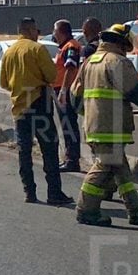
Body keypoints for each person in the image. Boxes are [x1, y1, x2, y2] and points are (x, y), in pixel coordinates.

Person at [73, 23, 138, 227]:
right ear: (121, 43)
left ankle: (135, 212)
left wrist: (91, 114)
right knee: (104, 166)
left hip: (94, 127)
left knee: (121, 170)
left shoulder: (90, 61)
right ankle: (86, 210)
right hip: (112, 128)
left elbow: (75, 98)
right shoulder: (117, 62)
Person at [0, 17, 73, 205]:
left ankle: (29, 192)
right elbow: (51, 75)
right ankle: (54, 193)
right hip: (40, 104)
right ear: (31, 30)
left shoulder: (9, 52)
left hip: (19, 108)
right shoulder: (37, 49)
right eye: (36, 30)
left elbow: (4, 83)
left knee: (24, 151)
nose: (38, 34)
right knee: (49, 149)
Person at [53, 19, 83, 172]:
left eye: (55, 31)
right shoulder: (65, 47)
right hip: (62, 90)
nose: (54, 34)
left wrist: (63, 91)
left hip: (66, 91)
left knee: (69, 125)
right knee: (66, 125)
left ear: (61, 31)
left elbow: (71, 68)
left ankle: (72, 160)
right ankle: (70, 158)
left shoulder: (71, 46)